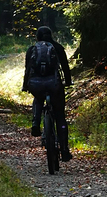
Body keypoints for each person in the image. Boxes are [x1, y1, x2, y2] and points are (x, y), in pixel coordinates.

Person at [22, 26, 72, 161]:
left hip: (36, 85)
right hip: (54, 85)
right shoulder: (58, 48)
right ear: (51, 35)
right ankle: (64, 149)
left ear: (37, 37)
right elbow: (65, 68)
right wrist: (68, 82)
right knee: (60, 117)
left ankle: (36, 123)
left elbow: (28, 70)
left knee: (38, 98)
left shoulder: (32, 49)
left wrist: (25, 86)